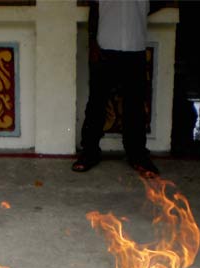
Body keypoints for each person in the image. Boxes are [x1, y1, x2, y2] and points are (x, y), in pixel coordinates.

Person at [73, 0, 159, 176]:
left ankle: (137, 155)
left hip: (135, 46)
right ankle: (90, 152)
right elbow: (95, 7)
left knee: (135, 105)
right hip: (105, 45)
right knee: (97, 103)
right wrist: (92, 41)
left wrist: (139, 14)